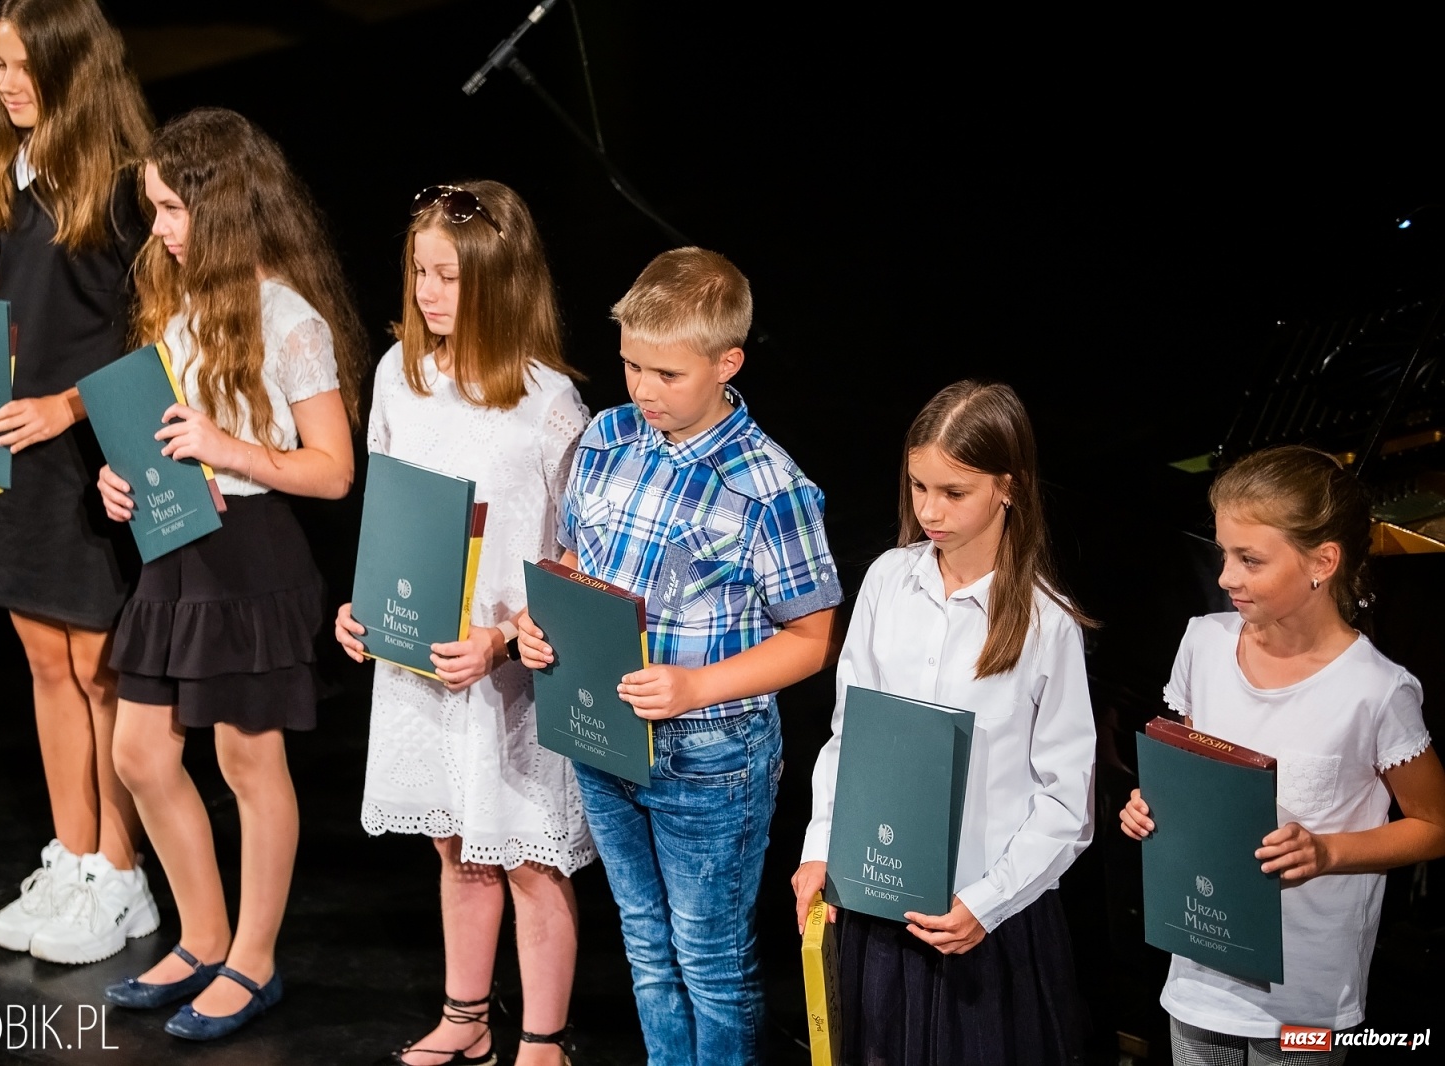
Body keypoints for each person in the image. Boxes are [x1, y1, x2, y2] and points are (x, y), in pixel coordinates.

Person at [516, 247, 842, 1065]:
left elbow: (811, 641)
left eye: (667, 374)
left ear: (727, 363)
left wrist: (697, 685)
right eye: (630, 366)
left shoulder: (770, 488)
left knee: (712, 964)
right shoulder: (606, 437)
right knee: (647, 949)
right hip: (606, 735)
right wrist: (542, 614)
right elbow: (578, 563)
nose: (643, 391)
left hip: (709, 758)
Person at [97, 108, 367, 1042]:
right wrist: (124, 476)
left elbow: (334, 468)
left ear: (219, 210)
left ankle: (252, 960)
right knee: (138, 753)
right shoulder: (175, 301)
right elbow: (165, 432)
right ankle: (202, 936)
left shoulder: (287, 317)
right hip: (175, 553)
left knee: (248, 761)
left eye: (172, 210)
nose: (161, 230)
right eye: (157, 209)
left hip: (251, 560)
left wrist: (229, 448)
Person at [0, 0, 155, 962]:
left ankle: (124, 878)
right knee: (46, 664)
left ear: (71, 71)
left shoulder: (129, 189)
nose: (6, 84)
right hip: (9, 447)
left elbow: (153, 341)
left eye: (24, 67)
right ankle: (76, 852)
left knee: (100, 671)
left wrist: (68, 410)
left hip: (84, 456)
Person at [332, 181, 592, 1066]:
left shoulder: (549, 405)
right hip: (421, 665)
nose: (429, 292)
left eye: (448, 275)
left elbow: (574, 561)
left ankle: (544, 1041)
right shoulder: (398, 378)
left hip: (510, 675)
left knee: (526, 855)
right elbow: (389, 515)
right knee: (456, 841)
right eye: (420, 272)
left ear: (498, 279)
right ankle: (467, 1016)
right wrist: (364, 607)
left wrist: (501, 637)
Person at [791, 380, 1096, 1066]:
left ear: (1008, 488)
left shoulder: (1048, 623)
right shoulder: (887, 581)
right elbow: (850, 738)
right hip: (881, 901)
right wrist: (820, 847)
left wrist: (987, 903)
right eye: (919, 487)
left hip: (984, 921)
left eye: (954, 492)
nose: (931, 510)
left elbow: (1066, 801)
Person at [1120, 444, 1445, 1066]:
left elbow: (1432, 826)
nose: (1225, 577)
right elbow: (1191, 776)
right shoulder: (1203, 644)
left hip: (1307, 998)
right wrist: (1151, 807)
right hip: (1201, 972)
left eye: (1250, 559)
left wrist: (1328, 852)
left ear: (1323, 561)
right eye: (1224, 553)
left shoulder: (1376, 691)